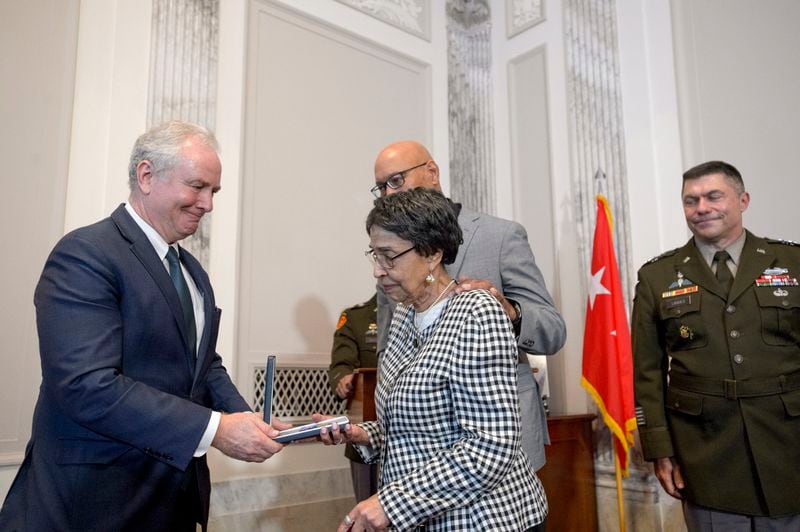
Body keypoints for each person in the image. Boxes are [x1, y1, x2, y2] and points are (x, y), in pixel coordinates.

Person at [0, 121, 287, 531]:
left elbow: (202, 364)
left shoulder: (191, 271)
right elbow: (86, 385)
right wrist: (216, 428)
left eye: (214, 192)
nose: (208, 204)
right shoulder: (85, 254)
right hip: (91, 504)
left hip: (170, 501)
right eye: (197, 186)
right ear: (147, 175)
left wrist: (248, 419)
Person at [319, 188, 547, 531]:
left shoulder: (476, 313)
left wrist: (392, 503)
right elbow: (422, 427)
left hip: (484, 521)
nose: (378, 271)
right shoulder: (403, 315)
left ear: (432, 253)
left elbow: (490, 447)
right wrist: (362, 434)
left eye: (389, 256)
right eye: (374, 255)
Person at [370, 140, 566, 475]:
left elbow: (552, 329)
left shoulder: (500, 236)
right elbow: (389, 347)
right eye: (381, 187)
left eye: (397, 180)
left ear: (431, 172)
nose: (390, 194)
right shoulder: (392, 256)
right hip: (424, 454)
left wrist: (511, 312)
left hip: (498, 447)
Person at [632, 160, 800, 530]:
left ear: (743, 200)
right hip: (705, 451)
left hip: (788, 443)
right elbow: (647, 373)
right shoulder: (657, 276)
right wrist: (660, 450)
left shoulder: (792, 262)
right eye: (690, 201)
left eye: (713, 196)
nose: (701, 208)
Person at [327, 293, 380, 502]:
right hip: (366, 430)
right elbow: (341, 365)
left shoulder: (421, 309)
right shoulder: (357, 317)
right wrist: (343, 380)